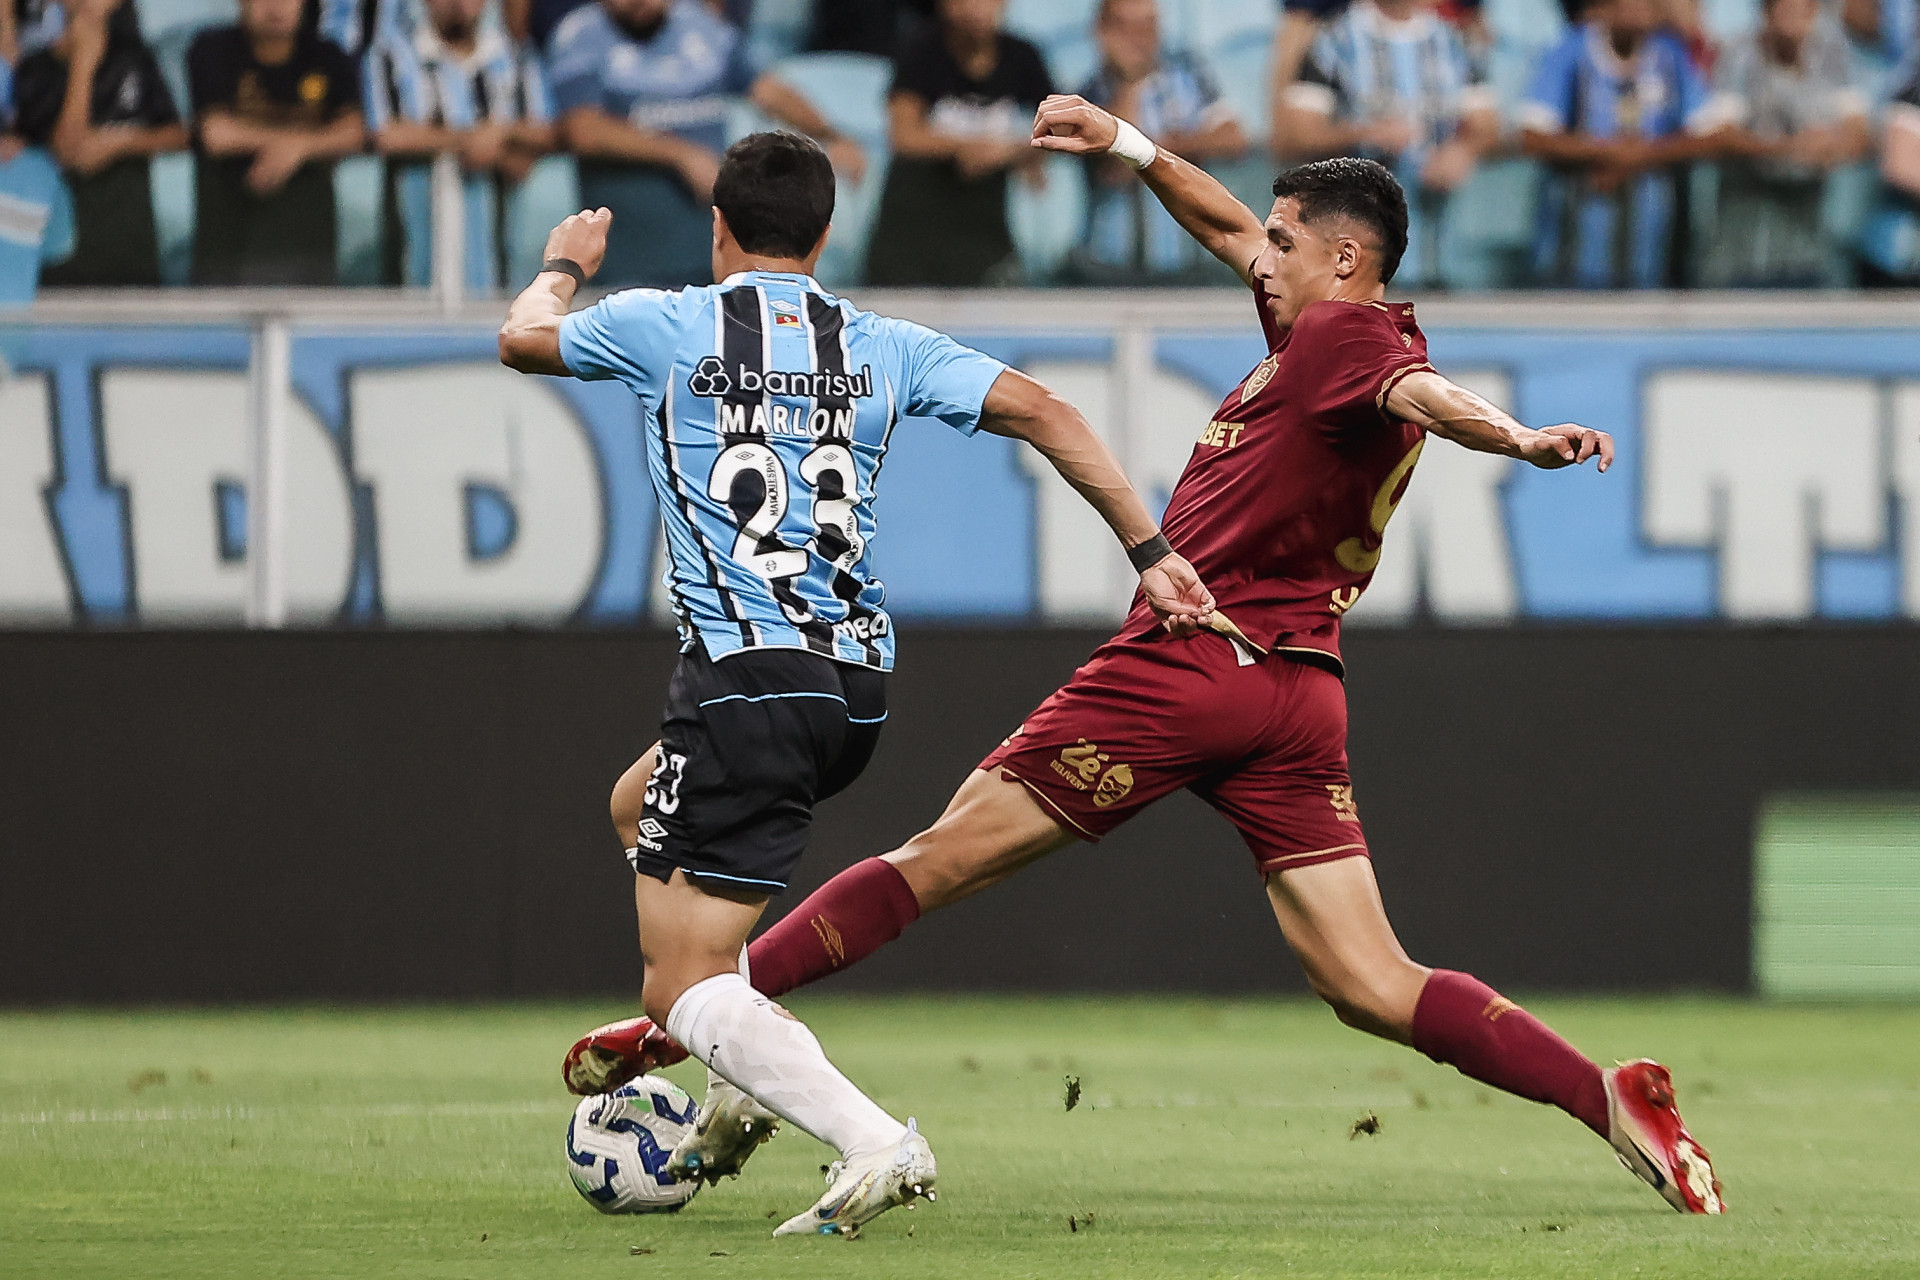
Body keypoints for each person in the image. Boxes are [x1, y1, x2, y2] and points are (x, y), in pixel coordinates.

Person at [561, 107, 1731, 1220]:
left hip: (1189, 665)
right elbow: (1228, 228)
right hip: (1297, 693)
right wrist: (1127, 143)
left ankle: (693, 1018)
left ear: (1346, 260)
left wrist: (1517, 435)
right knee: (1372, 979)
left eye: (1283, 243)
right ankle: (1603, 1092)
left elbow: (1422, 392)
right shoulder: (1314, 329)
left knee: (935, 860)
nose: (1255, 256)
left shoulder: (1351, 338)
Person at [498, 132, 1211, 1236]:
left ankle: (876, 1137)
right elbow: (1053, 413)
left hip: (743, 673)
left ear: (719, 228)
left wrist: (564, 263)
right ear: (827, 236)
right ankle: (740, 1072)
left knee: (674, 989)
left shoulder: (669, 321)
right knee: (636, 804)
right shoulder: (879, 342)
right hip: (856, 687)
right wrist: (1149, 549)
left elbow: (522, 339)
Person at [546, 0, 866, 288]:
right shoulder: (581, 36)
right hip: (630, 255)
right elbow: (582, 130)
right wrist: (681, 155)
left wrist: (830, 135)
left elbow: (768, 90)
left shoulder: (702, 27)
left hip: (709, 252)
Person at [1278, 0, 1498, 288]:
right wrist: (1365, 134)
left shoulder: (1454, 41)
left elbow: (1489, 127)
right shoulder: (1334, 40)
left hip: (1440, 222)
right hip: (1358, 226)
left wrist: (1462, 151)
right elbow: (1297, 132)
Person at [1518, 0, 1730, 288]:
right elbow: (1533, 136)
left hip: (1652, 251)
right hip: (1572, 246)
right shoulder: (1571, 51)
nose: (1639, 8)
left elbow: (1711, 135)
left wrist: (1640, 157)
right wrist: (1603, 152)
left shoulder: (1669, 55)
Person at [364, 0, 556, 288]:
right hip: (412, 260)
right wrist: (472, 140)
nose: (459, 5)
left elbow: (544, 132)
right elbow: (387, 134)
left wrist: (501, 134)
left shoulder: (517, 57)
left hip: (495, 264)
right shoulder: (392, 56)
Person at [864, 0, 1053, 285]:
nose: (976, 9)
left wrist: (1017, 155)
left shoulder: (1023, 56)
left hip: (991, 211)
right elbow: (903, 136)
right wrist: (964, 149)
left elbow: (1060, 130)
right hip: (922, 206)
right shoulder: (921, 50)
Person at [187, 0, 367, 285]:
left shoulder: (327, 55)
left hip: (309, 256)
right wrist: (297, 143)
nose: (277, 7)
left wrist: (300, 146)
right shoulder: (214, 49)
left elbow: (354, 132)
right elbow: (216, 134)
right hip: (228, 257)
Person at [10, 0, 187, 285]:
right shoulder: (35, 70)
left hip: (131, 247)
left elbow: (178, 135)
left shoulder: (135, 60)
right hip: (61, 252)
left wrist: (120, 142)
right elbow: (68, 151)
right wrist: (83, 63)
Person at [1071, 0, 1246, 283]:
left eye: (1149, 25)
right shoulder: (1088, 96)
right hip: (1109, 268)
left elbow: (1233, 140)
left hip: (1189, 258)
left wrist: (1160, 148)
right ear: (1102, 32)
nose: (1140, 38)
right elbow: (1116, 170)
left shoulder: (1190, 78)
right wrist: (1130, 84)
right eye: (1127, 27)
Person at [1696, 0, 1868, 286]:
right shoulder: (1738, 55)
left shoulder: (1832, 54)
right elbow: (1717, 136)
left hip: (1808, 249)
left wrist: (1829, 146)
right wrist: (1785, 149)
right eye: (1786, 10)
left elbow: (1860, 132)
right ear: (1766, 13)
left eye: (1805, 10)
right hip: (1742, 250)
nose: (1796, 20)